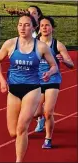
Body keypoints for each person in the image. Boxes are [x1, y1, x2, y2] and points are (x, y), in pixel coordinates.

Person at [0, 14, 58, 162]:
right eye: (20, 24)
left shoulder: (41, 46)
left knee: (22, 128)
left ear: (34, 27)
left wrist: (49, 72)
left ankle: (19, 160)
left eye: (27, 24)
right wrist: (2, 80)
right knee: (13, 132)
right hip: (13, 90)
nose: (23, 28)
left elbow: (54, 65)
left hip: (32, 89)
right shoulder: (10, 44)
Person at [33, 16, 74, 148]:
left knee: (48, 112)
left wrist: (63, 60)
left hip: (52, 79)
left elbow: (71, 64)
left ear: (53, 28)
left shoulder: (58, 45)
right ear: (39, 28)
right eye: (42, 25)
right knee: (36, 113)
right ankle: (40, 119)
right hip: (36, 81)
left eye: (47, 25)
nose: (44, 27)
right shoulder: (33, 43)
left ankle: (48, 139)